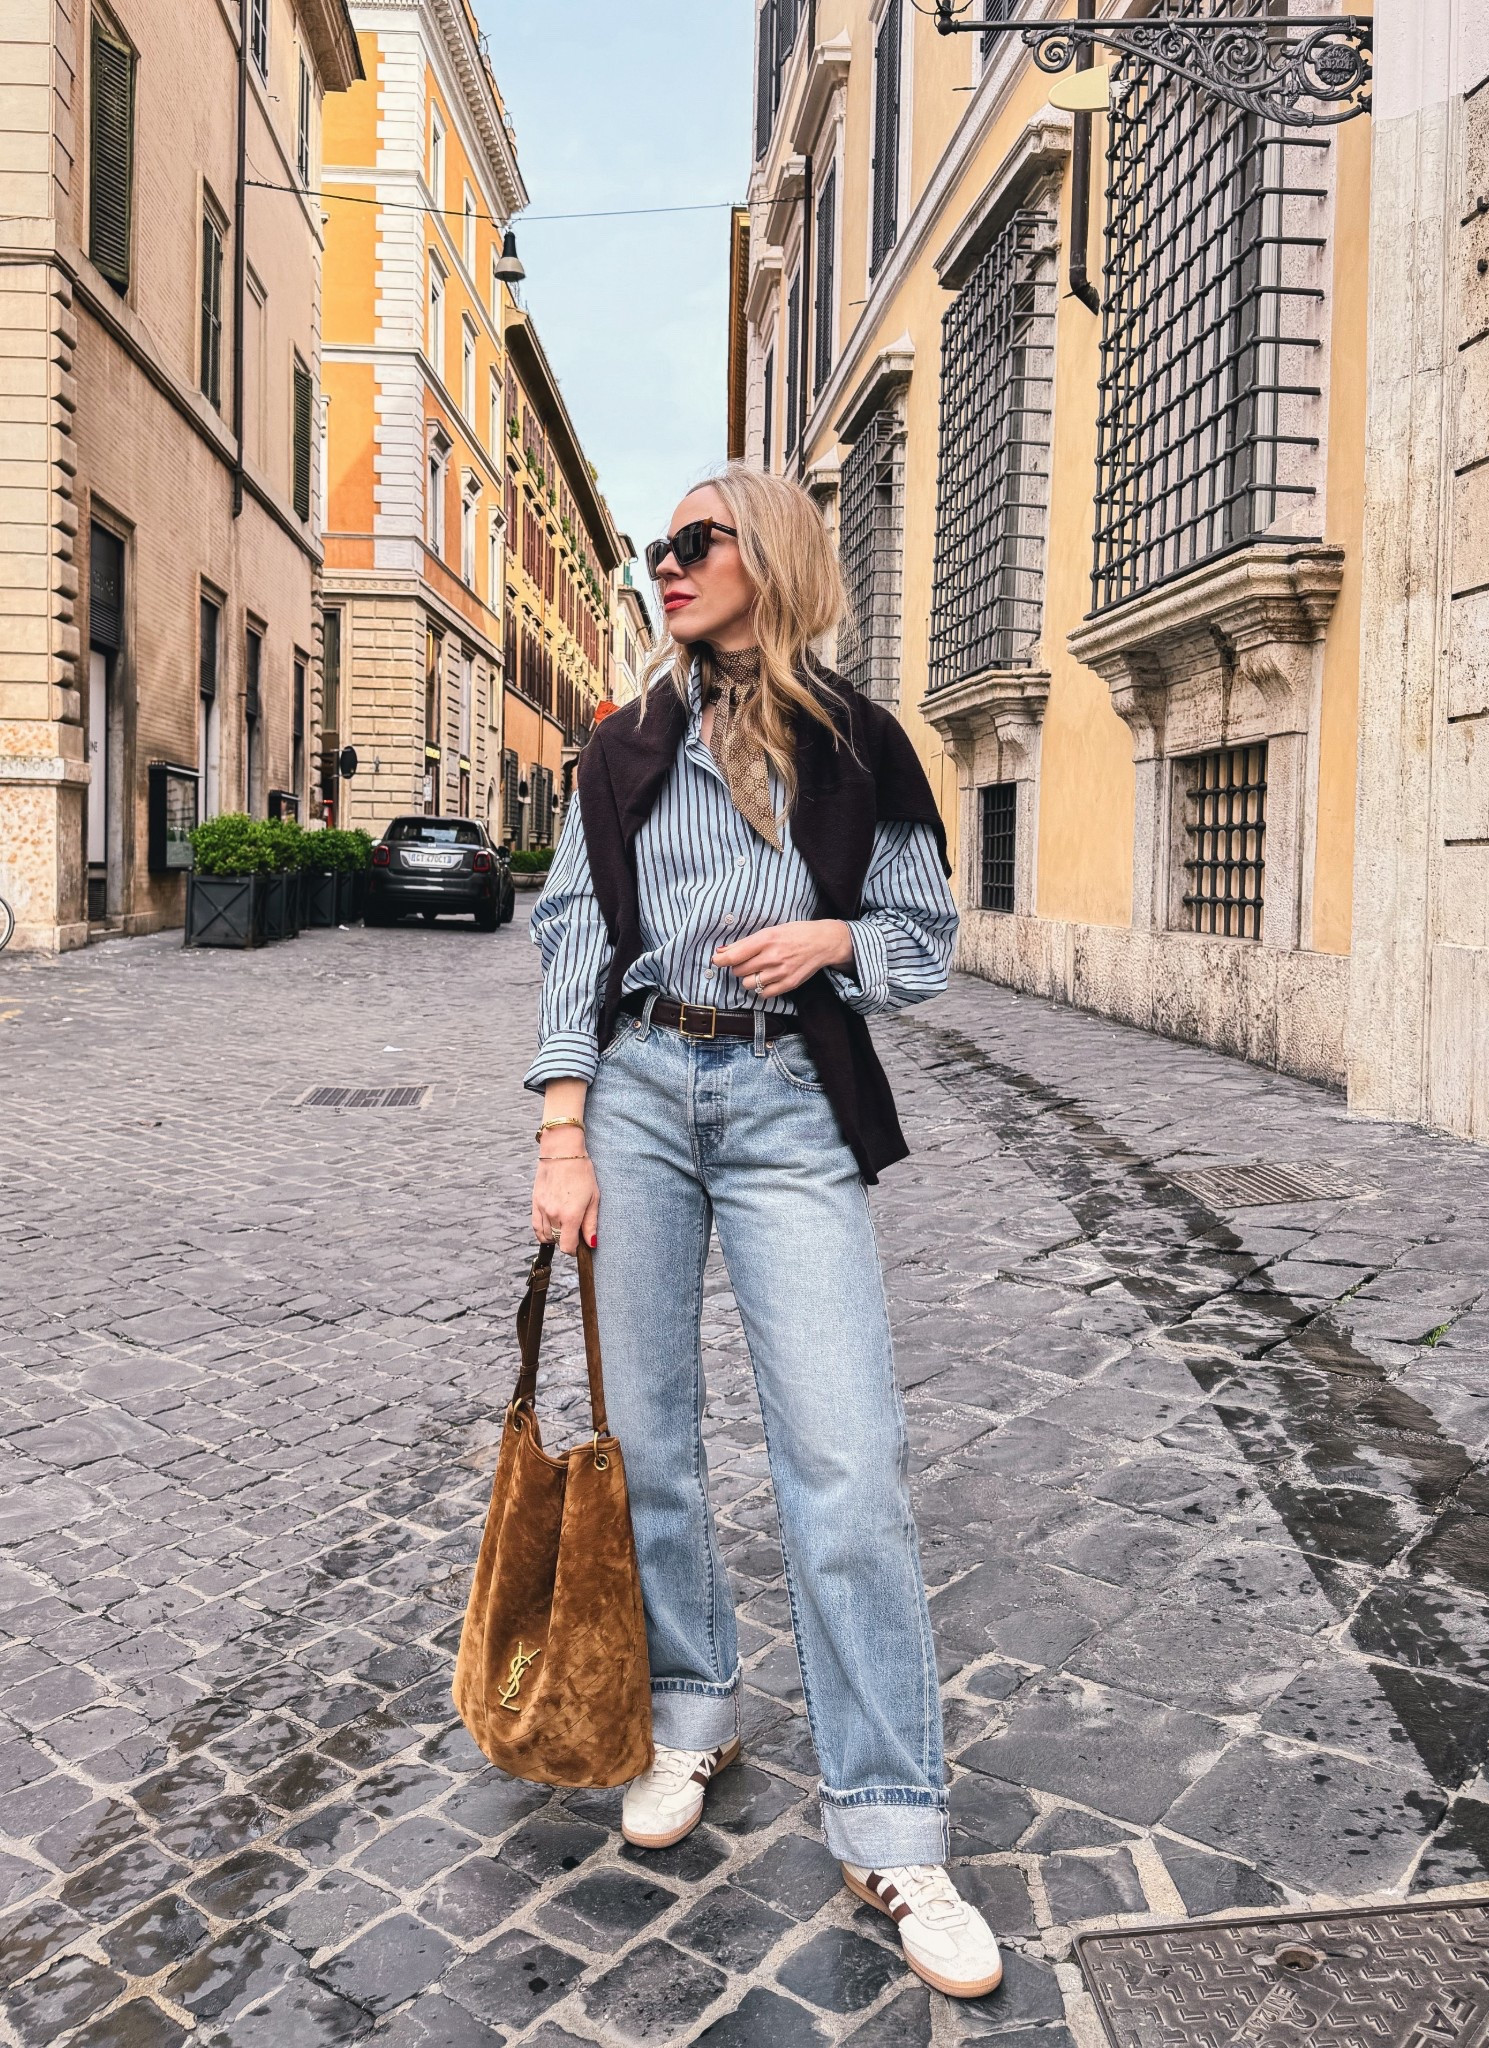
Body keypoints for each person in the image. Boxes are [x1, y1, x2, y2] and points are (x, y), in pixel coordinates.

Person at [525, 465, 1001, 2000]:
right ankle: (689, 1713)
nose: (666, 567)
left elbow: (927, 947)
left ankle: (890, 1822)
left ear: (771, 555)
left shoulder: (861, 743)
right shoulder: (622, 745)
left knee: (847, 1460)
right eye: (657, 550)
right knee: (652, 1438)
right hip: (644, 1095)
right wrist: (560, 1130)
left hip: (793, 1098)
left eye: (695, 544)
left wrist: (840, 936)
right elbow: (573, 939)